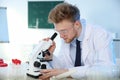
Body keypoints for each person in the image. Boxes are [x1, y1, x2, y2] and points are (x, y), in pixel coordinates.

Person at [39, 2, 116, 80]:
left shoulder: (100, 35)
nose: (61, 36)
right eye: (59, 31)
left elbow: (106, 70)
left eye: (64, 31)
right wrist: (50, 56)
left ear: (77, 24)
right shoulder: (68, 37)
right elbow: (62, 67)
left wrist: (68, 72)